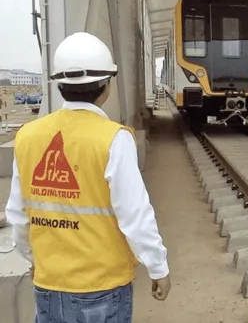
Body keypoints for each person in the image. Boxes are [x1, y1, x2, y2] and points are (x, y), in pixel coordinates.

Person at [4, 32, 171, 323]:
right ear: (106, 86)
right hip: (102, 288)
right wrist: (158, 268)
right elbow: (135, 215)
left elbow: (18, 215)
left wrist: (36, 261)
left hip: (47, 285)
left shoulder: (27, 136)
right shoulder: (113, 139)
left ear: (59, 84)